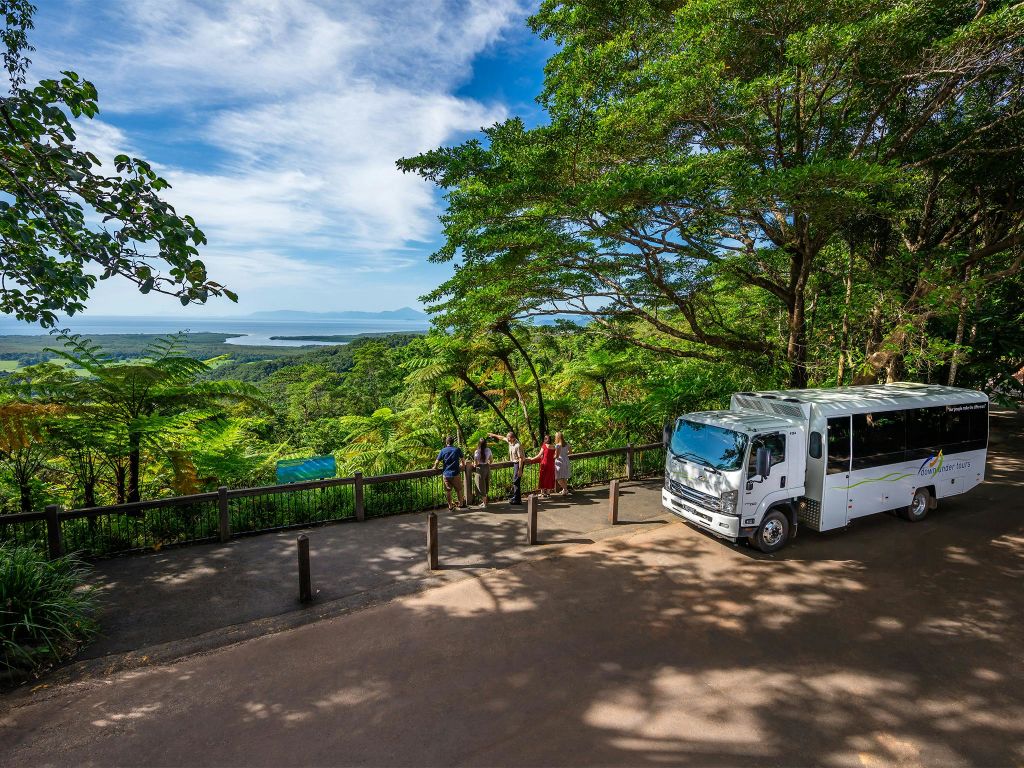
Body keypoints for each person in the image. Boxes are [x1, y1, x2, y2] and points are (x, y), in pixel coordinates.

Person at [489, 431, 524, 505]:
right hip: (514, 463)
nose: (507, 439)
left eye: (509, 438)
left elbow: (521, 458)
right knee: (515, 481)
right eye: (507, 437)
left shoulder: (518, 445)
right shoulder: (510, 441)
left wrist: (520, 470)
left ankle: (517, 500)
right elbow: (502, 437)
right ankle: (516, 497)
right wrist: (493, 435)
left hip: (518, 464)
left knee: (516, 481)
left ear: (513, 438)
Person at [432, 436, 466, 510]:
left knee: (448, 491)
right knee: (459, 489)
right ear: (453, 442)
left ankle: (450, 506)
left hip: (446, 474)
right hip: (455, 473)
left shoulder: (443, 450)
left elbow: (437, 462)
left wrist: (435, 468)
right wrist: (462, 465)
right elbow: (463, 461)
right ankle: (461, 504)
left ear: (446, 442)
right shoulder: (457, 450)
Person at [530, 434, 557, 499]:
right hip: (551, 464)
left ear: (547, 439)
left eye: (546, 438)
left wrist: (532, 458)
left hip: (544, 464)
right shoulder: (554, 446)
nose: (545, 439)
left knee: (543, 477)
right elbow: (555, 456)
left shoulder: (544, 446)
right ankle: (548, 493)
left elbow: (539, 455)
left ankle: (542, 493)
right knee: (549, 477)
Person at [473, 436, 492, 508]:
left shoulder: (477, 452)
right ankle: (484, 502)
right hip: (487, 468)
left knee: (481, 485)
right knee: (486, 484)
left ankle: (484, 504)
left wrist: (474, 464)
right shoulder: (488, 450)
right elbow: (491, 460)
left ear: (479, 444)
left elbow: (476, 463)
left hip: (480, 469)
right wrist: (488, 463)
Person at [554, 431, 571, 495]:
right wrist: (565, 454)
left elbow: (557, 456)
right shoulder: (567, 444)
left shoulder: (557, 446)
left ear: (557, 437)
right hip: (566, 461)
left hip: (560, 462)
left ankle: (566, 490)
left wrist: (552, 456)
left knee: (558, 478)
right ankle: (564, 491)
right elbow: (570, 452)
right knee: (564, 477)